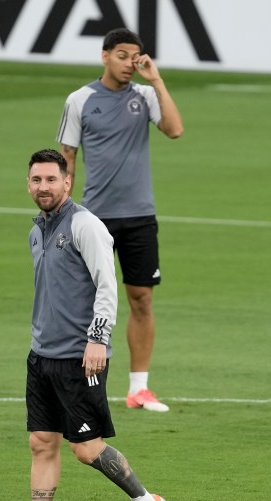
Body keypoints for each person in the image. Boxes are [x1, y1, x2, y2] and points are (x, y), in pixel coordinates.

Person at [0, 149, 167, 501]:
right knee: (41, 442)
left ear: (67, 182)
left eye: (51, 180)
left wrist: (98, 339)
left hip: (80, 355)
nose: (43, 187)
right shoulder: (36, 230)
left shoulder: (86, 226)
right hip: (42, 355)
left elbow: (108, 285)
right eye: (36, 180)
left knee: (86, 449)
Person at [56, 27, 184, 413]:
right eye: (123, 55)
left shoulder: (145, 96)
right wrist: (63, 211)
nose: (131, 63)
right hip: (95, 217)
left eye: (137, 56)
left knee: (141, 299)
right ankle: (74, 381)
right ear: (105, 55)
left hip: (140, 217)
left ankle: (139, 389)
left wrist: (156, 79)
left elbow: (175, 130)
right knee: (85, 301)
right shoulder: (80, 100)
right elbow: (68, 158)